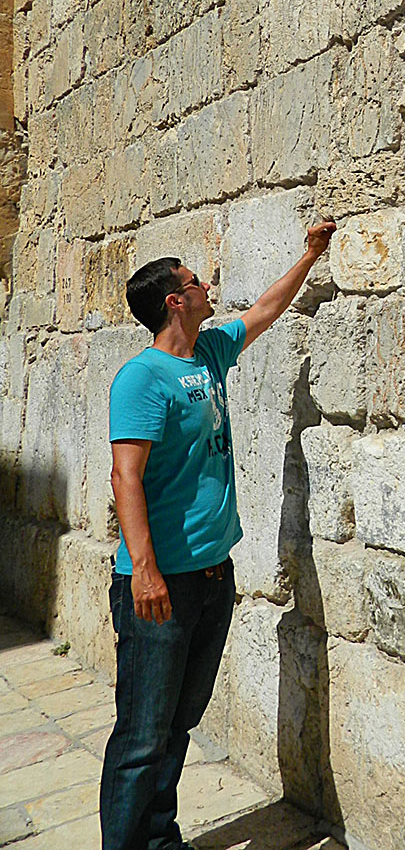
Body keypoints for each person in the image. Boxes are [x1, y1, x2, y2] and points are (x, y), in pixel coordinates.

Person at [99, 222, 336, 850]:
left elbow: (267, 308)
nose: (207, 286)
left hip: (211, 575)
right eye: (195, 281)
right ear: (174, 300)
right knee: (141, 737)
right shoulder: (141, 379)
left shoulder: (208, 354)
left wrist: (309, 255)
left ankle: (159, 838)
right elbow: (127, 476)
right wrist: (144, 570)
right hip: (159, 587)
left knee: (178, 725)